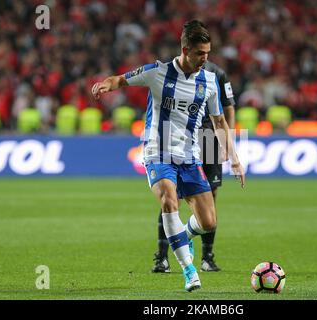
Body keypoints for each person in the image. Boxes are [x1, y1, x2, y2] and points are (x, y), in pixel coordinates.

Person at [91, 20, 245, 292]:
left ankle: (181, 236)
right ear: (185, 50)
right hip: (157, 151)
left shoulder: (208, 80)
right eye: (200, 54)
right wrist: (104, 84)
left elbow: (219, 121)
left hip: (190, 156)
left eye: (208, 53)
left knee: (209, 223)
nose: (204, 59)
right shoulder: (157, 72)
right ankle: (189, 270)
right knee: (168, 201)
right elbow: (120, 79)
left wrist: (233, 157)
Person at [152, 59, 236, 273]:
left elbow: (228, 108)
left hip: (209, 137)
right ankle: (162, 257)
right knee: (171, 197)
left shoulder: (217, 73)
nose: (203, 57)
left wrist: (228, 142)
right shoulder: (174, 71)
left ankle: (207, 257)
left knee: (210, 195)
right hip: (180, 136)